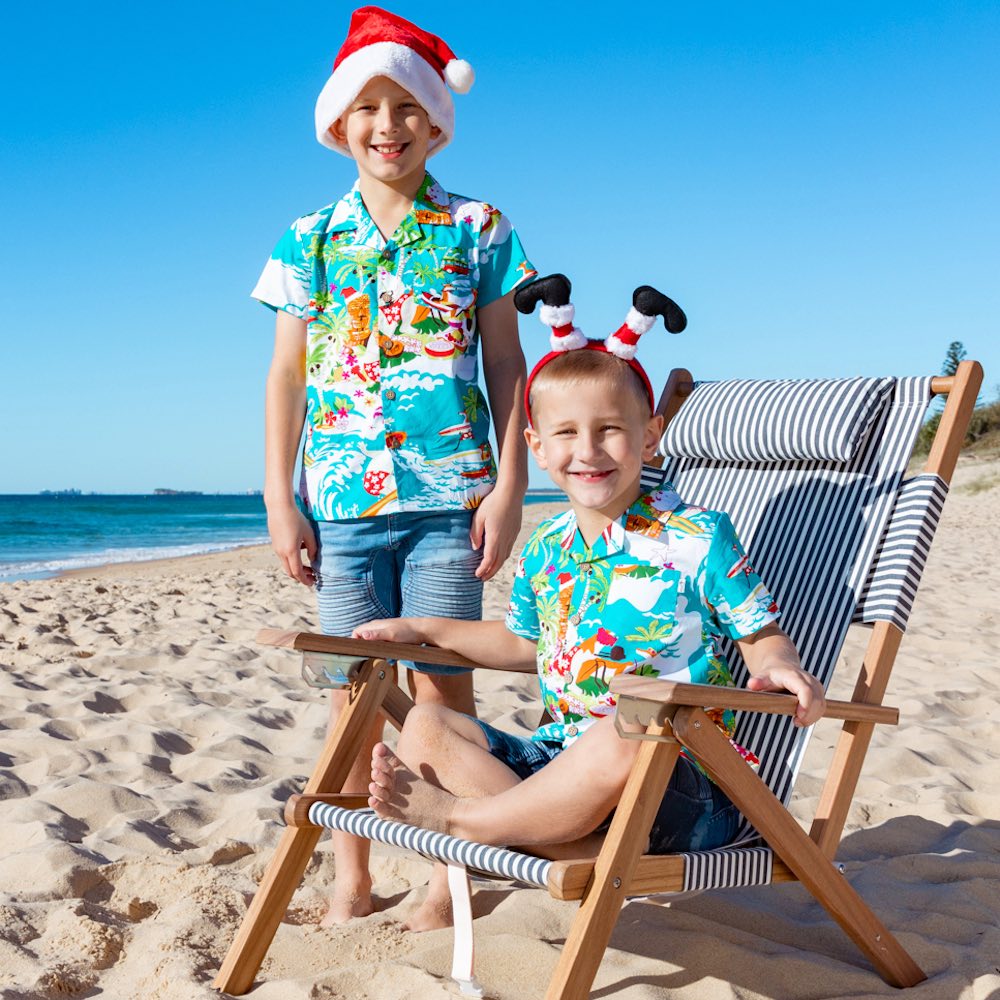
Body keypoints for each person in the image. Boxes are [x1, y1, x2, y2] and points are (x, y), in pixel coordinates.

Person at [353, 275, 825, 931]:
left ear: (650, 434)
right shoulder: (546, 547)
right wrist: (424, 626)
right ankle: (558, 840)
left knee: (626, 727)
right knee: (431, 724)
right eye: (567, 433)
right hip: (562, 770)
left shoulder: (696, 537)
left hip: (679, 783)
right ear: (538, 446)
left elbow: (760, 634)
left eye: (610, 429)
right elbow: (524, 647)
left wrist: (779, 664)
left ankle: (465, 823)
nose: (588, 449)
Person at [252, 7, 535, 924]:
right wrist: (279, 500)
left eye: (406, 105)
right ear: (339, 125)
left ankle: (441, 875)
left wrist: (509, 484)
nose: (388, 125)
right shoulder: (309, 236)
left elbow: (506, 365)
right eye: (367, 108)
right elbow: (287, 375)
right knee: (350, 693)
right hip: (340, 503)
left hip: (452, 498)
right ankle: (352, 876)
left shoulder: (480, 227)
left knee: (441, 691)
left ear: (435, 120)